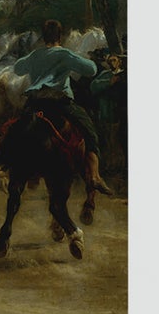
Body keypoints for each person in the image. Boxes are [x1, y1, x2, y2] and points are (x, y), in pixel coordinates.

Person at [11, 18, 111, 197]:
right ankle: (94, 176)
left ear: (43, 37)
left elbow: (17, 68)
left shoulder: (35, 55)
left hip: (35, 103)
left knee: (17, 130)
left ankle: (18, 167)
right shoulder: (65, 54)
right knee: (90, 132)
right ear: (61, 37)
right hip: (59, 103)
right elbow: (91, 70)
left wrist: (33, 59)